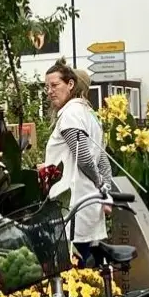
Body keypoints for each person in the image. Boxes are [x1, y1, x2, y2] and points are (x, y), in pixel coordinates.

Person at [42, 61, 114, 249]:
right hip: (87, 205)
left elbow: (83, 158)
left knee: (73, 263)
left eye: (54, 85)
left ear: (71, 84)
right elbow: (103, 160)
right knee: (86, 260)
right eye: (47, 87)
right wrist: (104, 190)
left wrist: (100, 184)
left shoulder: (71, 114)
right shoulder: (89, 114)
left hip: (72, 205)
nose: (49, 91)